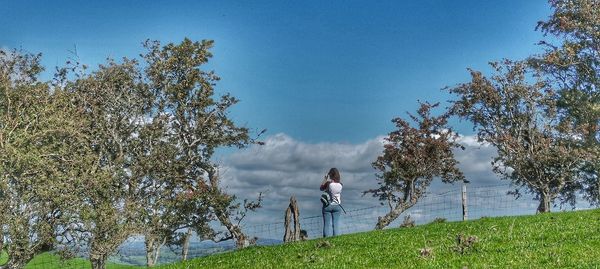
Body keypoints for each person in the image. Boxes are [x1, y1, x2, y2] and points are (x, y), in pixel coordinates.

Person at [320, 167, 343, 237]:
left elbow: (321, 188)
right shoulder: (341, 185)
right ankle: (336, 239)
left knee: (326, 224)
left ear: (330, 175)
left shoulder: (328, 183)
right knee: (336, 224)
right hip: (337, 206)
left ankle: (326, 239)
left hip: (328, 205)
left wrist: (325, 178)